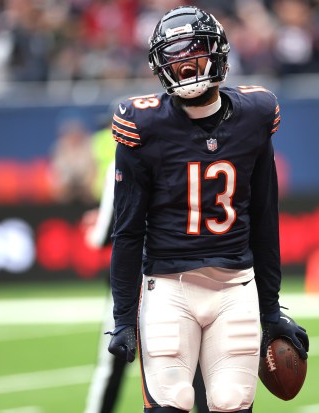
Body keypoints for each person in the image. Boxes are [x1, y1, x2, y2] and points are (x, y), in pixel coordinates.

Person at [106, 6, 309, 413]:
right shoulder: (142, 125)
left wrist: (271, 307)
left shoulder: (254, 115)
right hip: (168, 287)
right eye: (174, 57)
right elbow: (128, 230)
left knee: (231, 401)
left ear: (217, 52)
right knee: (172, 402)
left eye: (193, 52)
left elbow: (266, 220)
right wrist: (124, 316)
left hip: (236, 286)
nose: (184, 66)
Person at [82, 110, 210, 413]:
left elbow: (106, 233)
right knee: (194, 365)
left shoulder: (121, 159)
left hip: (135, 277)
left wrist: (91, 229)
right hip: (181, 274)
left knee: (113, 360)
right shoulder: (190, 154)